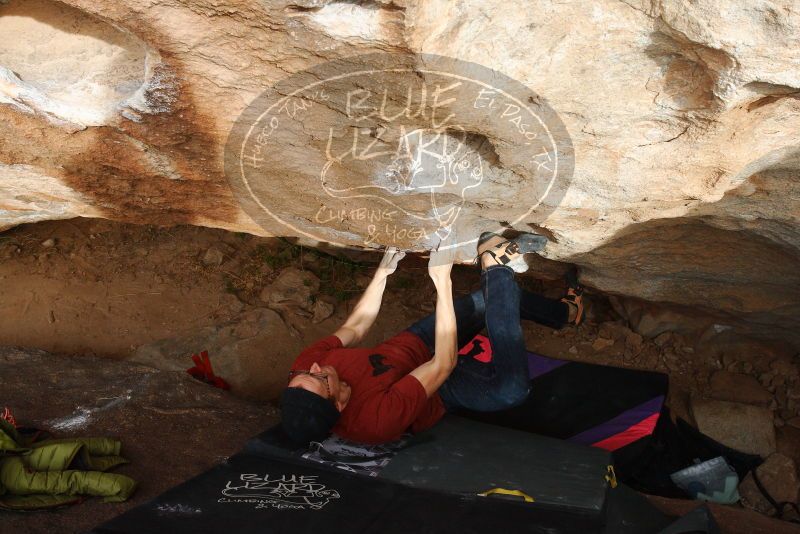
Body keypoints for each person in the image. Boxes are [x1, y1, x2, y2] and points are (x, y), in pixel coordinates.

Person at [280, 233, 584, 446]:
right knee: (512, 391)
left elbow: (355, 327)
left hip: (412, 347)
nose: (315, 367)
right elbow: (443, 364)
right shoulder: (374, 421)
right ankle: (494, 263)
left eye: (304, 374)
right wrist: (442, 281)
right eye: (318, 378)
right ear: (337, 403)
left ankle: (564, 313)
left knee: (492, 299)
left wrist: (384, 271)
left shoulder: (306, 366)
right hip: (439, 387)